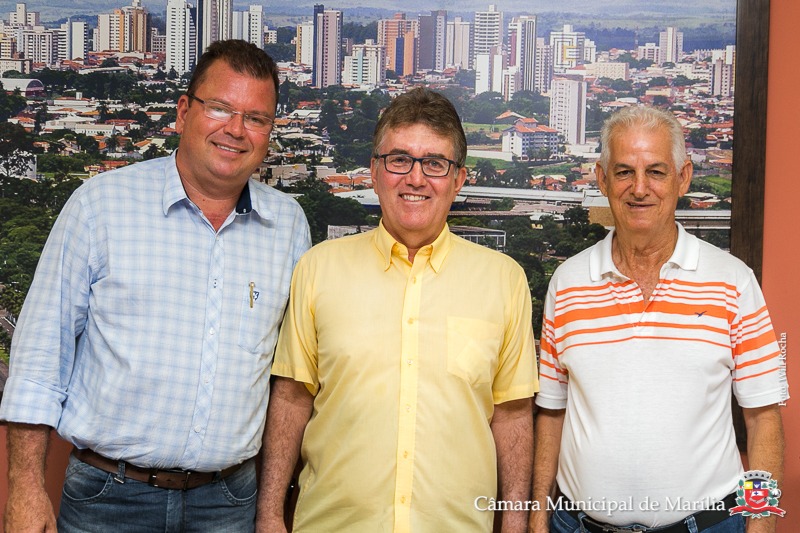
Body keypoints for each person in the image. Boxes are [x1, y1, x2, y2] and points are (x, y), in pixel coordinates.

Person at [0, 40, 310, 532]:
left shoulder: (289, 226)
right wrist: (24, 488)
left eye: (256, 117)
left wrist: (271, 509)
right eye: (221, 108)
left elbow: (287, 382)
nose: (236, 129)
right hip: (108, 497)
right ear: (184, 111)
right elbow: (40, 359)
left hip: (230, 502)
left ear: (270, 131)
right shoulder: (99, 206)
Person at [256, 87, 538, 532]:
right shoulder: (319, 269)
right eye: (399, 159)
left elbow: (513, 414)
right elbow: (292, 399)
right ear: (374, 171)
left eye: (435, 164)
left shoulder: (504, 280)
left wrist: (516, 525)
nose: (416, 178)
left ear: (459, 179)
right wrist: (270, 514)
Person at [531, 106, 788, 533]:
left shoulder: (734, 282)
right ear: (601, 179)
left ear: (683, 178)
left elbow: (763, 418)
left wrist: (761, 526)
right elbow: (552, 413)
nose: (639, 189)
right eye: (624, 172)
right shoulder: (567, 283)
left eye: (656, 171)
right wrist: (538, 519)